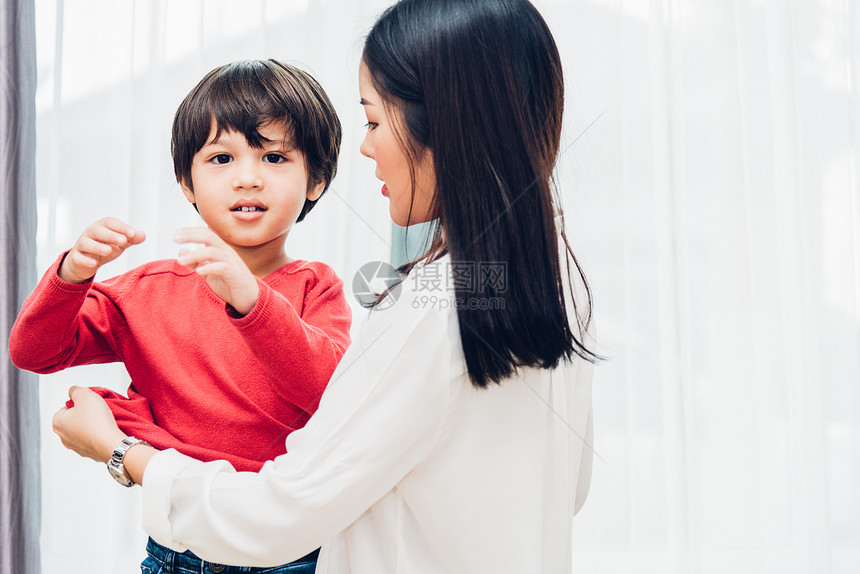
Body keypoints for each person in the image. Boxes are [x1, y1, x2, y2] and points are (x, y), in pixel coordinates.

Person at [52, 0, 599, 572]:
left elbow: (281, 512)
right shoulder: (559, 285)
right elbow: (569, 486)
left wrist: (120, 451)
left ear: (440, 125)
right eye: (220, 157)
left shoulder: (424, 309)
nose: (365, 147)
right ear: (185, 181)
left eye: (372, 120)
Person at [11, 60, 351, 573]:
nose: (247, 178)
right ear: (186, 185)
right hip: (176, 550)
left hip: (288, 553)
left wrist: (251, 303)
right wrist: (73, 273)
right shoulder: (148, 289)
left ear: (316, 181)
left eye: (275, 156)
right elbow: (35, 352)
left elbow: (331, 397)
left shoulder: (315, 287)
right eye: (221, 157)